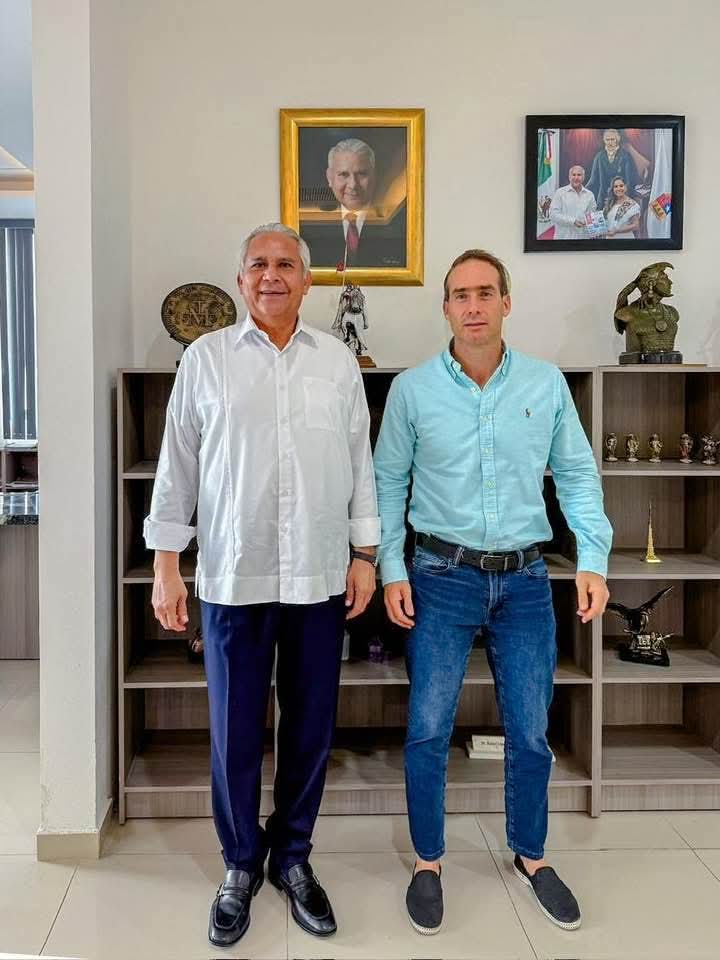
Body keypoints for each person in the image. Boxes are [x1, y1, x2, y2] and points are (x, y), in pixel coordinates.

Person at [144, 222, 380, 947]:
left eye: (285, 264)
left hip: (318, 575)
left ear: (306, 281)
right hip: (231, 577)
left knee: (310, 728)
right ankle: (242, 863)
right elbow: (178, 466)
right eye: (258, 264)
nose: (271, 275)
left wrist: (365, 553)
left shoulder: (336, 363)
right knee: (235, 731)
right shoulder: (205, 360)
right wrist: (165, 564)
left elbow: (360, 463)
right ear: (241, 280)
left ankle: (294, 857)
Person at [374, 249, 612, 936]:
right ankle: (428, 862)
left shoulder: (546, 383)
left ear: (506, 302)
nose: (473, 305)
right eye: (460, 294)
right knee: (428, 727)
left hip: (526, 583)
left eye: (485, 292)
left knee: (531, 731)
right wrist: (391, 568)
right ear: (445, 308)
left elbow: (577, 475)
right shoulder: (414, 390)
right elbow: (388, 482)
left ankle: (532, 855)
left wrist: (593, 559)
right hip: (439, 577)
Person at [299, 137, 407, 269]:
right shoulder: (308, 230)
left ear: (374, 176)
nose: (353, 185)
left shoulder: (400, 225)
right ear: (329, 178)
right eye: (344, 175)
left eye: (361, 174)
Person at [586, 128, 636, 212]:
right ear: (604, 141)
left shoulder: (625, 156)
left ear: (617, 140)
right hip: (603, 200)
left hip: (621, 200)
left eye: (612, 139)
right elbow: (593, 180)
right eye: (607, 140)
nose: (610, 142)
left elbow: (629, 182)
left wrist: (624, 201)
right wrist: (582, 191)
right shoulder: (599, 156)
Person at [548, 165, 596, 239]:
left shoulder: (590, 195)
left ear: (583, 177)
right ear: (569, 177)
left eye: (579, 175)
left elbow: (592, 215)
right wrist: (573, 221)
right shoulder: (560, 193)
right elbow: (553, 214)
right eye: (574, 175)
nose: (576, 178)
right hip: (563, 238)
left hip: (583, 238)